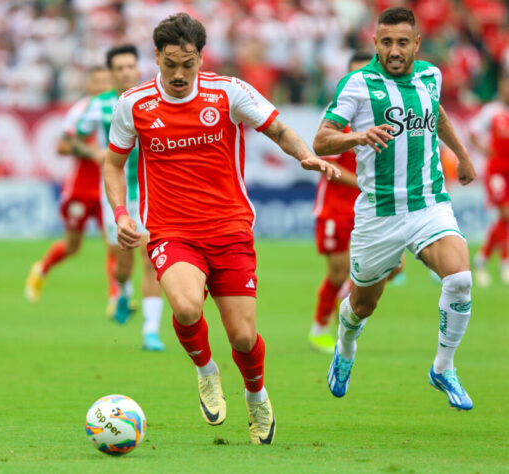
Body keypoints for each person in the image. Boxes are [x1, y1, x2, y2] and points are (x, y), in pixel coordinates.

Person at [104, 13, 339, 444]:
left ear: (200, 58)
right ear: (156, 57)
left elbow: (280, 129)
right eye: (170, 63)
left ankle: (255, 395)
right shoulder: (133, 104)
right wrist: (122, 214)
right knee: (188, 308)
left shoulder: (228, 92)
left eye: (187, 64)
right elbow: (114, 164)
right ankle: (206, 370)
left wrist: (304, 154)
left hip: (230, 228)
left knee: (244, 337)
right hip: (170, 231)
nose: (178, 73)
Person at [314, 7, 477, 410]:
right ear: (375, 43)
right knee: (362, 305)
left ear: (416, 43)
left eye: (403, 42)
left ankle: (443, 367)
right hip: (379, 214)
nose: (395, 50)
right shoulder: (357, 85)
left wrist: (462, 154)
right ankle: (346, 346)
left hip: (429, 205)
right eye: (386, 42)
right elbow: (320, 141)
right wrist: (357, 137)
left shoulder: (430, 76)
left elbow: (435, 115)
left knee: (460, 279)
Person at [309, 51, 406, 354]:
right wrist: (366, 184)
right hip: (337, 208)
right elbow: (328, 167)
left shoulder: (386, 109)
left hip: (371, 206)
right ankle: (319, 328)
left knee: (393, 268)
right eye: (354, 74)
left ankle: (347, 312)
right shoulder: (339, 115)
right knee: (338, 273)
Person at [73, 45, 166, 351]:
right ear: (111, 74)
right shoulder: (98, 105)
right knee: (123, 264)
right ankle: (124, 291)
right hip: (115, 198)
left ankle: (151, 332)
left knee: (152, 259)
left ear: (138, 68)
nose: (126, 71)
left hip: (153, 195)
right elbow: (70, 138)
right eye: (120, 68)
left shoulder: (155, 100)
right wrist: (92, 152)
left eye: (130, 66)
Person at [24, 66, 117, 305]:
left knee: (114, 243)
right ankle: (41, 269)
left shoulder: (118, 106)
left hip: (109, 187)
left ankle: (115, 298)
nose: (103, 87)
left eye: (107, 82)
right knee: (73, 246)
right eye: (98, 82)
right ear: (88, 87)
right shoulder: (81, 110)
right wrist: (91, 153)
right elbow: (62, 146)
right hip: (81, 188)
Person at [469, 76, 509, 287]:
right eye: (505, 84)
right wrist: (485, 151)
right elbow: (472, 131)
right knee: (505, 213)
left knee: (504, 219)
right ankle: (504, 262)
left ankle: (482, 259)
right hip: (497, 173)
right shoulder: (492, 111)